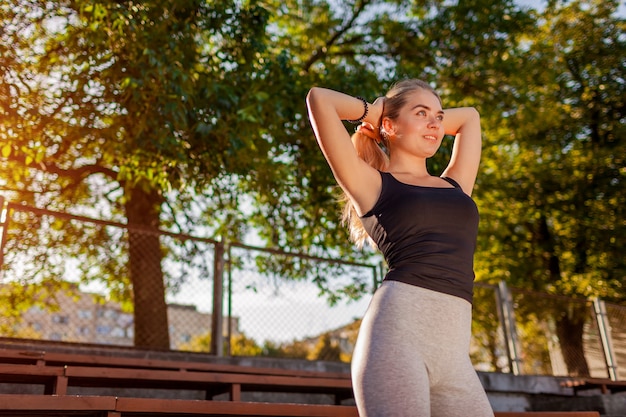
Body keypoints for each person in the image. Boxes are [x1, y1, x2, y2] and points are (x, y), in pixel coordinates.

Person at [306, 79, 494, 417]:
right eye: (421, 113)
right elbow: (319, 99)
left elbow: (470, 118)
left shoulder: (455, 184)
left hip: (454, 354)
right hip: (397, 340)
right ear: (390, 126)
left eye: (438, 116)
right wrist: (376, 111)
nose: (435, 123)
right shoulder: (373, 185)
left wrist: (415, 119)